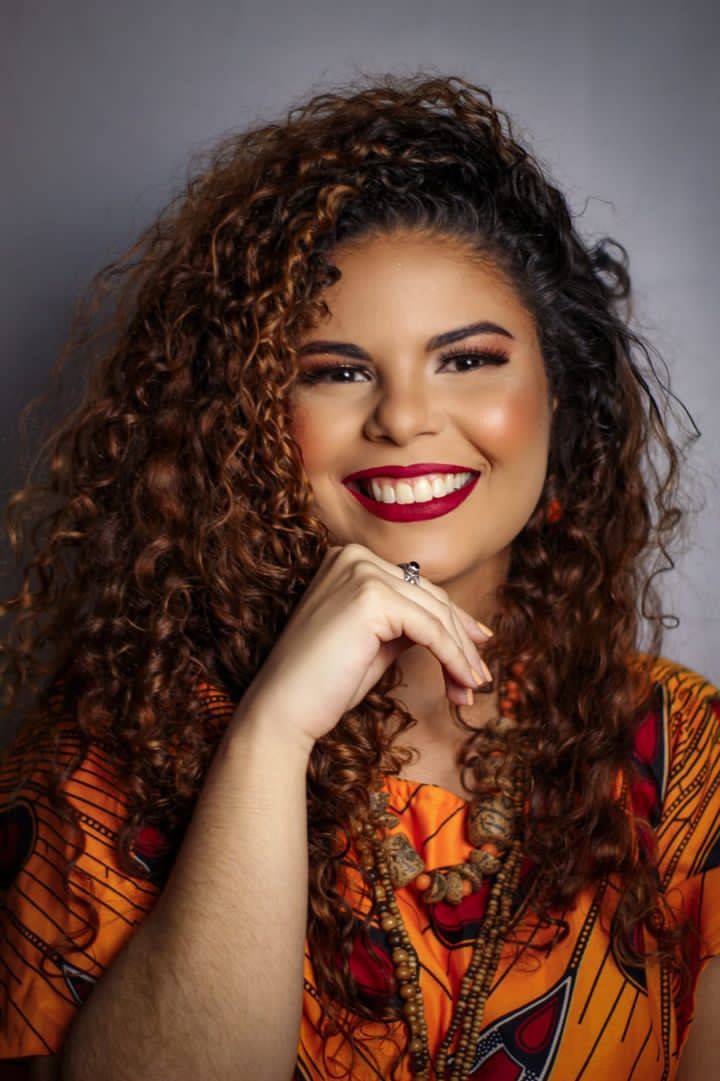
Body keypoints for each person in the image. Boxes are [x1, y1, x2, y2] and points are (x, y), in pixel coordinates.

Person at [0, 71, 718, 1081]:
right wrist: (269, 738)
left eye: (467, 360)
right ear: (250, 420)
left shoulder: (684, 760)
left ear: (563, 397)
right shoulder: (115, 739)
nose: (404, 418)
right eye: (335, 371)